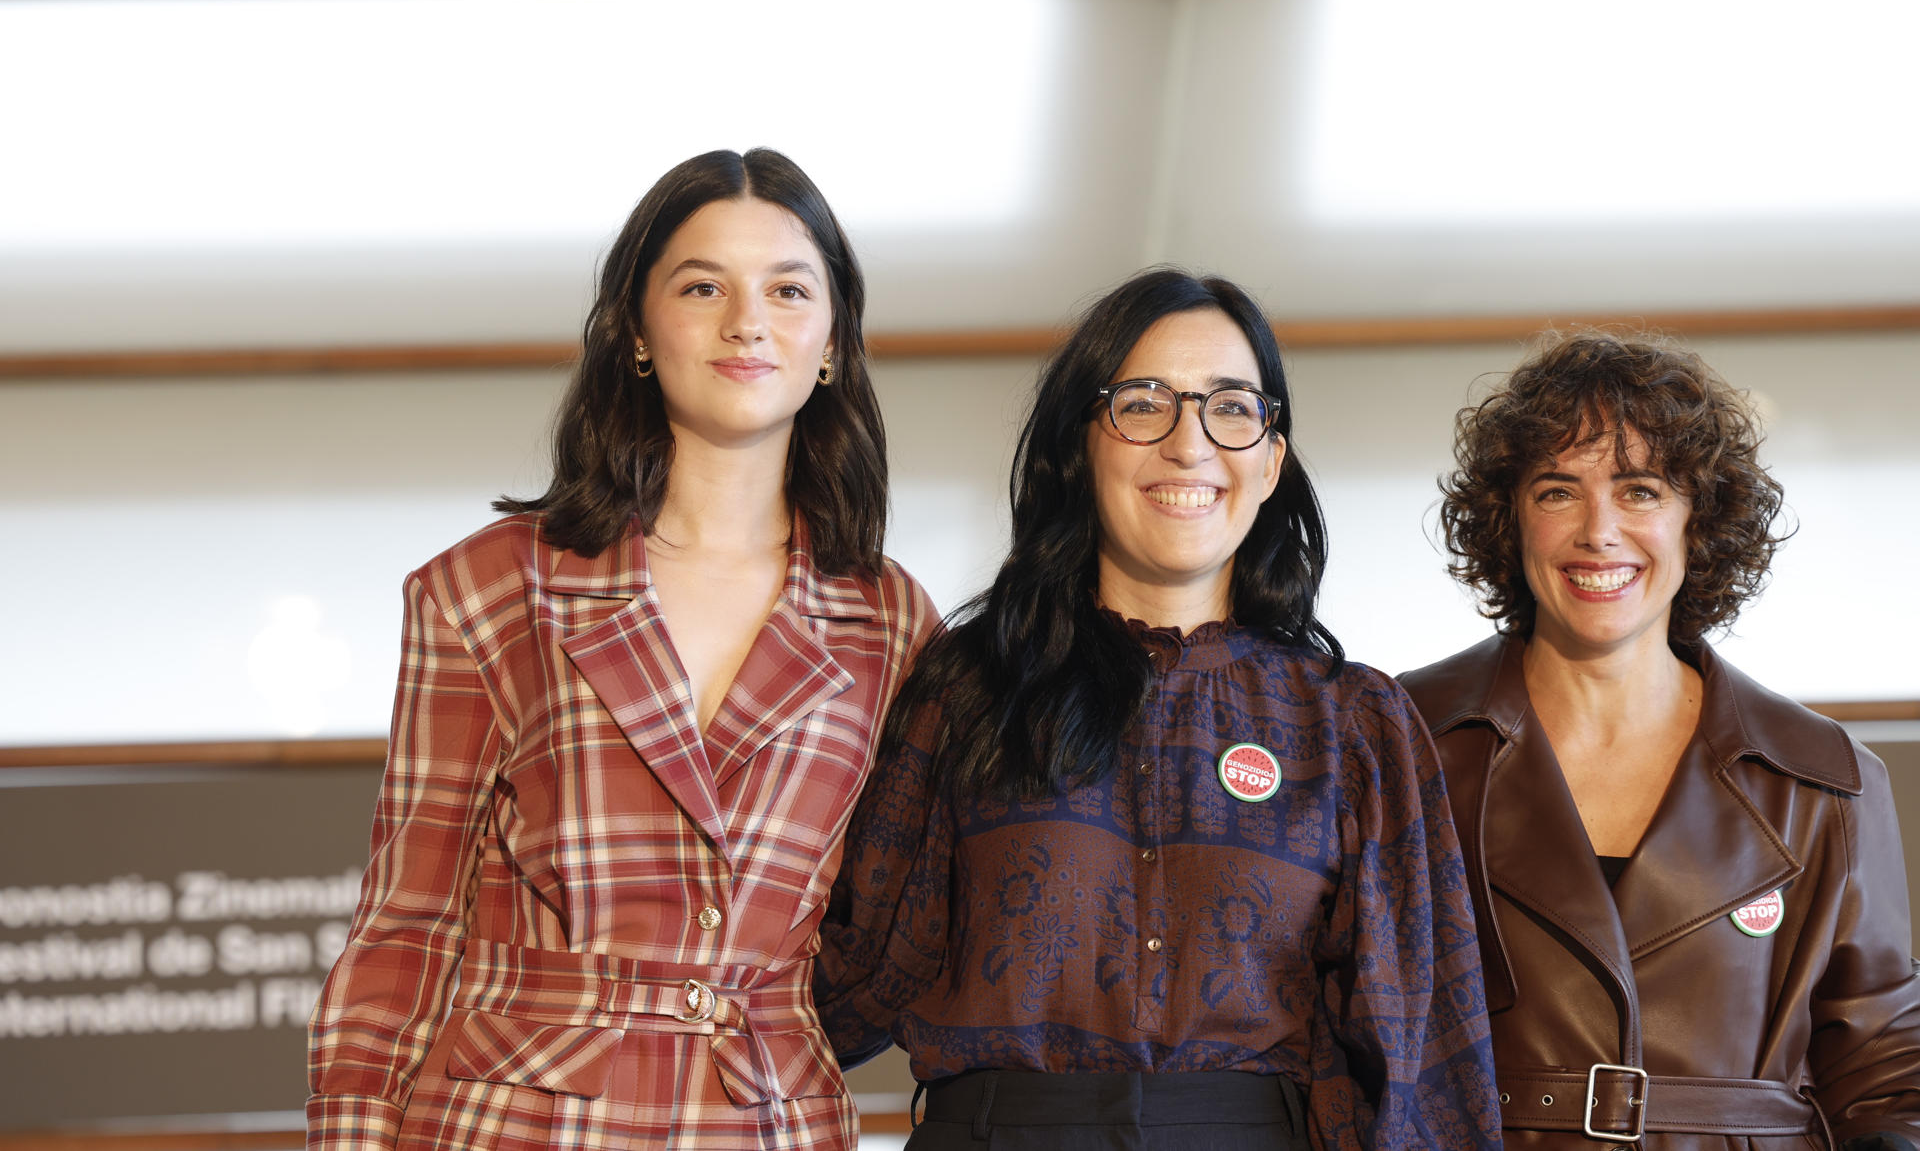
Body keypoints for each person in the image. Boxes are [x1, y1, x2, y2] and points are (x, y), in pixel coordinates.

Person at [306, 148, 938, 1150]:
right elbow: (405, 924)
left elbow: (893, 934)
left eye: (787, 287)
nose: (747, 320)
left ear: (831, 342)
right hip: (515, 1114)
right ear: (637, 331)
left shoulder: (893, 620)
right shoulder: (492, 585)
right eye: (702, 285)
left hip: (764, 1116)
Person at [814, 269, 1502, 1150]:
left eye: (1230, 408)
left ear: (1270, 460)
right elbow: (856, 972)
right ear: (1081, 443)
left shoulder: (1353, 722)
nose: (1189, 444)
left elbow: (1420, 1055)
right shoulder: (966, 687)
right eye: (1144, 404)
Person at [1399, 329, 1920, 1148]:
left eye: (1640, 490)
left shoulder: (1826, 780)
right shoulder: (1400, 740)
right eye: (1557, 491)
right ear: (1510, 518)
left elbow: (1883, 1068)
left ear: (1698, 521)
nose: (1598, 531)